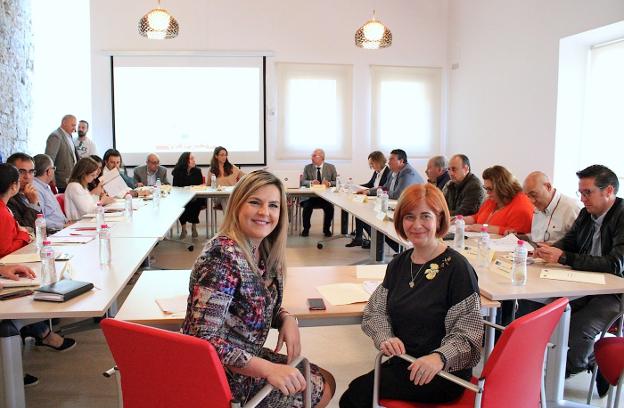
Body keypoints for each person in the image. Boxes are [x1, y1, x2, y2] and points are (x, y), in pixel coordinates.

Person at [182, 170, 335, 407]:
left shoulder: (260, 251)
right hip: (220, 374)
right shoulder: (222, 257)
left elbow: (256, 305)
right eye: (255, 202)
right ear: (237, 206)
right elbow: (203, 341)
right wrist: (267, 369)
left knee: (325, 380)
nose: (265, 212)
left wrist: (286, 318)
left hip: (242, 359)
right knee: (319, 387)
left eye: (273, 205)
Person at [340, 184, 483, 407]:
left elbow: (469, 333)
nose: (416, 225)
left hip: (443, 371)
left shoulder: (457, 268)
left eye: (425, 216)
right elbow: (375, 310)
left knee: (355, 397)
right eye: (409, 216)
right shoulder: (399, 263)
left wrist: (439, 357)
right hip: (406, 363)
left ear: (439, 219)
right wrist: (385, 336)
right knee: (356, 394)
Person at [532, 165, 624, 381]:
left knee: (577, 330)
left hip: (614, 293)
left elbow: (615, 264)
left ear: (609, 191)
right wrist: (547, 251)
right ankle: (579, 364)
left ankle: (572, 370)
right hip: (584, 284)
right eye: (580, 193)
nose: (582, 199)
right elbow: (570, 242)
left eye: (587, 192)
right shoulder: (586, 214)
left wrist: (564, 257)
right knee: (546, 315)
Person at [464, 165, 533, 235]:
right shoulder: (493, 199)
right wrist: (460, 220)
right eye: (486, 188)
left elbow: (518, 234)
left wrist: (485, 228)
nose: (487, 193)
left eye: (490, 189)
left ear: (502, 188)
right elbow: (477, 217)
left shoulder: (521, 206)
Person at [346, 151, 390, 248]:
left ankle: (374, 242)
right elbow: (370, 184)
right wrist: (356, 186)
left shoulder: (388, 172)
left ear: (378, 162)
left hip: (380, 200)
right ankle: (359, 238)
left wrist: (367, 191)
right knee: (358, 211)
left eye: (372, 163)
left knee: (364, 215)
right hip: (373, 198)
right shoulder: (376, 171)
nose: (371, 166)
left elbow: (383, 188)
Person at [523, 171, 580, 244]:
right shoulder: (538, 207)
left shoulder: (572, 208)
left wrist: (554, 248)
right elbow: (537, 237)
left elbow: (580, 245)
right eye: (528, 196)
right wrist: (520, 237)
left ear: (548, 187)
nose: (532, 201)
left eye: (533, 195)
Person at [300, 148, 337, 237]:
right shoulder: (307, 167)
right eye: (311, 156)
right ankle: (306, 229)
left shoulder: (331, 167)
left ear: (322, 158)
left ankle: (326, 229)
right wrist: (311, 182)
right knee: (307, 207)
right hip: (311, 197)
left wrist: (328, 183)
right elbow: (302, 182)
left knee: (329, 208)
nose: (311, 158)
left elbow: (337, 182)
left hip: (325, 197)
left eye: (314, 156)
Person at [0, 163, 32, 257]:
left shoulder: (4, 208)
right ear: (14, 186)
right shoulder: (3, 213)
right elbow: (5, 251)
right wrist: (23, 235)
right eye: (19, 181)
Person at [32, 154, 68, 232]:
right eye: (53, 168)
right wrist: (63, 225)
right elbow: (40, 219)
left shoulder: (44, 186)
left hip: (62, 228)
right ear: (48, 171)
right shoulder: (35, 188)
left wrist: (66, 222)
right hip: (53, 232)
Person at [5, 153, 41, 231]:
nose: (27, 177)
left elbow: (40, 225)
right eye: (21, 172)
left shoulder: (30, 194)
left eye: (31, 172)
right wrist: (33, 204)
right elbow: (26, 231)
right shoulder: (7, 198)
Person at [172, 152, 203, 239]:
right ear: (185, 160)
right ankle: (184, 228)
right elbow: (175, 187)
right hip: (182, 197)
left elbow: (200, 186)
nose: (194, 161)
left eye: (194, 158)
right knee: (181, 205)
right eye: (191, 159)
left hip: (194, 197)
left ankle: (194, 226)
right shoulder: (177, 171)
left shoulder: (198, 171)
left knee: (198, 201)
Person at [45, 114, 79, 192]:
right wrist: (51, 179)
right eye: (73, 125)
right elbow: (49, 159)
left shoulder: (69, 135)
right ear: (64, 122)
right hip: (62, 181)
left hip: (72, 178)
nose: (74, 128)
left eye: (75, 125)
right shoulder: (55, 136)